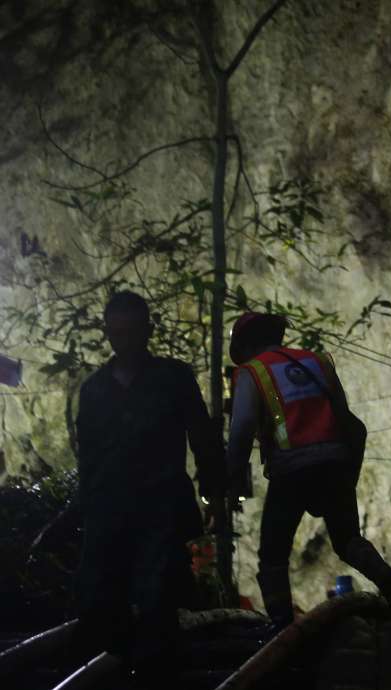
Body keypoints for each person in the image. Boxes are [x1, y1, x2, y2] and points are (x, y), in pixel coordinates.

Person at [225, 312, 391, 629]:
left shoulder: (252, 371)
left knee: (273, 554)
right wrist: (346, 476)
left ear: (245, 346)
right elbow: (349, 422)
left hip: (291, 468)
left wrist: (232, 485)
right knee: (348, 540)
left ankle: (281, 628)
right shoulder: (317, 362)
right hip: (335, 463)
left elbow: (242, 429)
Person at [74, 291, 224, 685]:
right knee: (106, 602)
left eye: (130, 332)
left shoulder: (172, 378)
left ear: (147, 331)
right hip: (111, 511)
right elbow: (87, 458)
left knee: (159, 599)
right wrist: (86, 511)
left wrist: (212, 492)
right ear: (107, 333)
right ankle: (123, 672)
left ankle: (160, 676)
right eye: (115, 332)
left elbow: (202, 436)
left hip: (162, 505)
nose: (122, 340)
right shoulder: (94, 390)